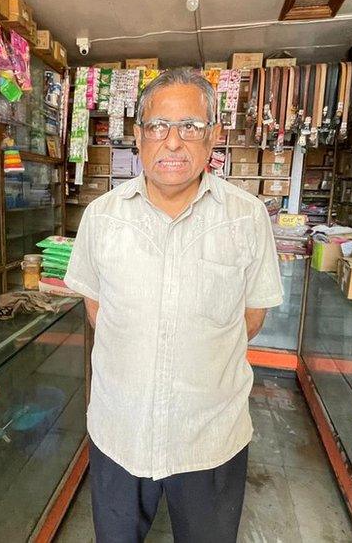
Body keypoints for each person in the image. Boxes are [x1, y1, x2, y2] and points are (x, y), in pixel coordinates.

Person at [64, 68, 283, 543]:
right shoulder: (102, 217)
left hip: (209, 438)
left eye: (190, 127)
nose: (173, 142)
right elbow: (96, 307)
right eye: (159, 127)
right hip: (119, 432)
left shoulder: (247, 218)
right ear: (139, 136)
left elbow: (252, 316)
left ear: (214, 137)